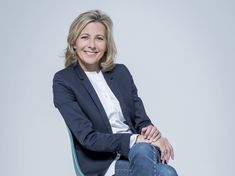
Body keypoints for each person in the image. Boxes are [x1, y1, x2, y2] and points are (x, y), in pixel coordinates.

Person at [53, 9, 178, 176]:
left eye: (99, 38)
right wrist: (135, 140)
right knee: (166, 173)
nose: (92, 45)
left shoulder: (121, 73)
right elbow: (88, 138)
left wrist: (152, 134)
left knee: (143, 152)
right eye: (85, 37)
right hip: (104, 164)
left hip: (141, 153)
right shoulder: (64, 80)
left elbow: (142, 121)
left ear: (106, 45)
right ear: (74, 42)